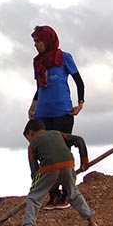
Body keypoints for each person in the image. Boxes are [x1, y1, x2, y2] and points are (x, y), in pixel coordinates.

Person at [27, 25, 86, 210]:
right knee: (46, 155)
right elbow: (39, 87)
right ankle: (53, 195)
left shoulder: (64, 58)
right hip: (43, 113)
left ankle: (66, 194)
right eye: (34, 42)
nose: (36, 45)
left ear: (48, 40)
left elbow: (79, 81)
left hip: (62, 112)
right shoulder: (38, 62)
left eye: (38, 41)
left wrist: (80, 104)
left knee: (62, 152)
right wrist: (33, 105)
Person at [15, 119, 99, 226]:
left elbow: (34, 171)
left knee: (34, 197)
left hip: (49, 168)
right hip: (68, 165)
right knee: (74, 193)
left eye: (28, 138)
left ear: (30, 133)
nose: (29, 141)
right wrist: (84, 161)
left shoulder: (32, 145)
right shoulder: (58, 134)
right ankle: (92, 222)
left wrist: (40, 185)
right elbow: (79, 140)